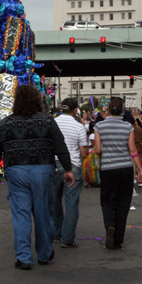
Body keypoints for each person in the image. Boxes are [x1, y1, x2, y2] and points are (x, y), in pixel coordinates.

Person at [0, 85, 74, 270]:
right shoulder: (47, 121)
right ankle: (44, 253)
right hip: (43, 171)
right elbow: (60, 145)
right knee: (44, 213)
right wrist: (68, 169)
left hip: (16, 172)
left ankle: (24, 257)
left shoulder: (5, 123)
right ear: (37, 100)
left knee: (21, 215)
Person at [94, 97, 142, 250]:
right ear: (122, 110)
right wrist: (140, 170)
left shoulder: (99, 126)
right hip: (125, 169)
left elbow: (97, 150)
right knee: (123, 204)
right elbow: (133, 150)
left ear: (108, 109)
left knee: (108, 201)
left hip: (108, 169)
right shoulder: (127, 127)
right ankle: (118, 240)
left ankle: (110, 225)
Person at [53, 97, 88, 248]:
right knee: (71, 202)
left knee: (54, 201)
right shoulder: (79, 127)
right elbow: (84, 152)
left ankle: (56, 233)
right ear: (75, 111)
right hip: (72, 165)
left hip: (53, 165)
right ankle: (67, 239)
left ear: (62, 109)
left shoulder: (52, 123)